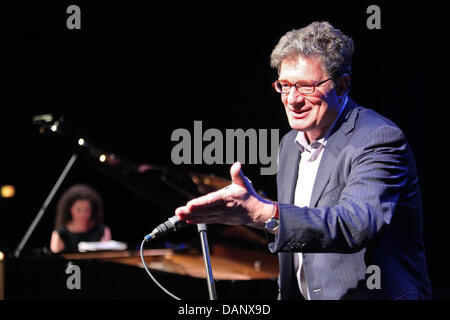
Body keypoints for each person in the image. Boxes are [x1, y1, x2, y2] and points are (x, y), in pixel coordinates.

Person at [175, 21, 432, 300]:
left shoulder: (378, 138)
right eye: (284, 86)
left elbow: (355, 224)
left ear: (342, 85)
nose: (293, 99)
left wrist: (266, 213)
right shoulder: (290, 144)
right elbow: (299, 244)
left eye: (307, 86)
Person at [50, 184, 112, 253]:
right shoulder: (60, 233)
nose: (83, 214)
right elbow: (55, 259)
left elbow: (106, 257)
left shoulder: (102, 231)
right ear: (70, 209)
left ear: (92, 210)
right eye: (79, 210)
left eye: (87, 210)